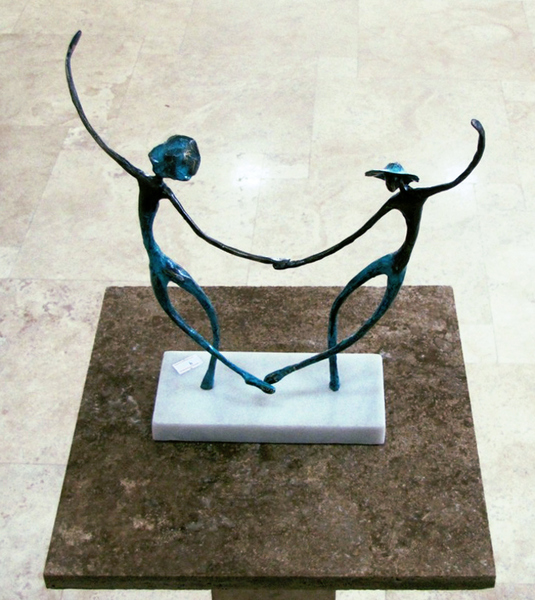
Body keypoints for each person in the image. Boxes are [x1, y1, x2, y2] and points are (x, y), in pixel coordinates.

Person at [66, 31, 278, 393]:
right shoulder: (153, 184)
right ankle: (237, 374)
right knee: (192, 319)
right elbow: (203, 234)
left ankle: (221, 372)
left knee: (205, 316)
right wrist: (70, 67)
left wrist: (266, 261)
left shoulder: (156, 186)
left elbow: (202, 234)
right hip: (159, 262)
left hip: (160, 261)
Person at [265, 119, 485, 390]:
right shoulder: (393, 202)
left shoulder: (420, 195)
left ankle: (289, 371)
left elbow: (457, 179)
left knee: (361, 330)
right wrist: (296, 263)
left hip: (398, 269)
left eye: (388, 179)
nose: (386, 183)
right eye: (384, 179)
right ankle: (333, 376)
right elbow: (355, 235)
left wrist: (481, 141)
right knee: (336, 306)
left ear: (399, 179)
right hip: (389, 260)